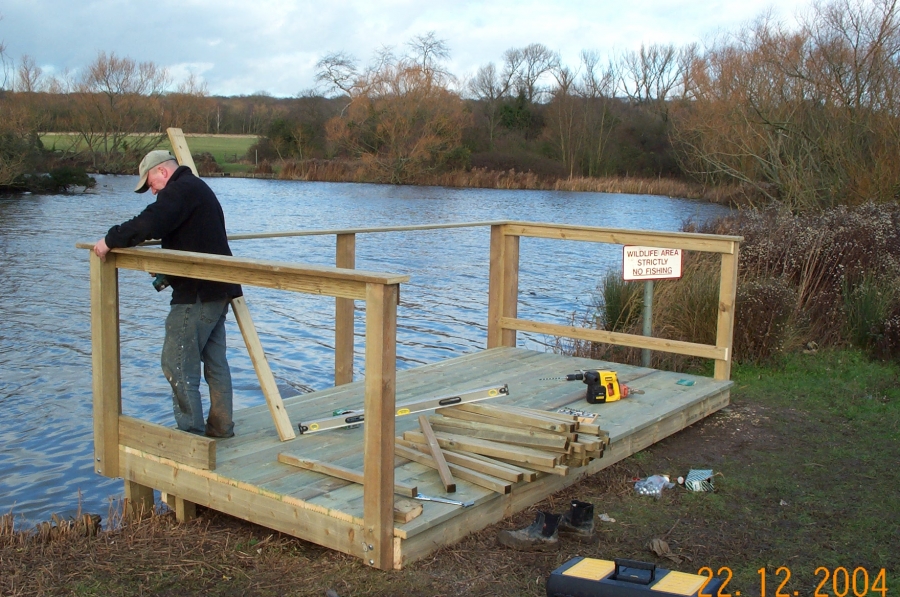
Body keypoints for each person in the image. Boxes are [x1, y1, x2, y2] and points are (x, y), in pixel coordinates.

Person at [93, 150, 242, 438]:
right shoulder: (196, 188)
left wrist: (109, 240)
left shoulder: (179, 190)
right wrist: (167, 266)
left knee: (176, 362)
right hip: (219, 288)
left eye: (150, 183)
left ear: (162, 171)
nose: (151, 190)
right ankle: (221, 428)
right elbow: (194, 238)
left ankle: (190, 438)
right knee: (215, 363)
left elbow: (150, 222)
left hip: (196, 292)